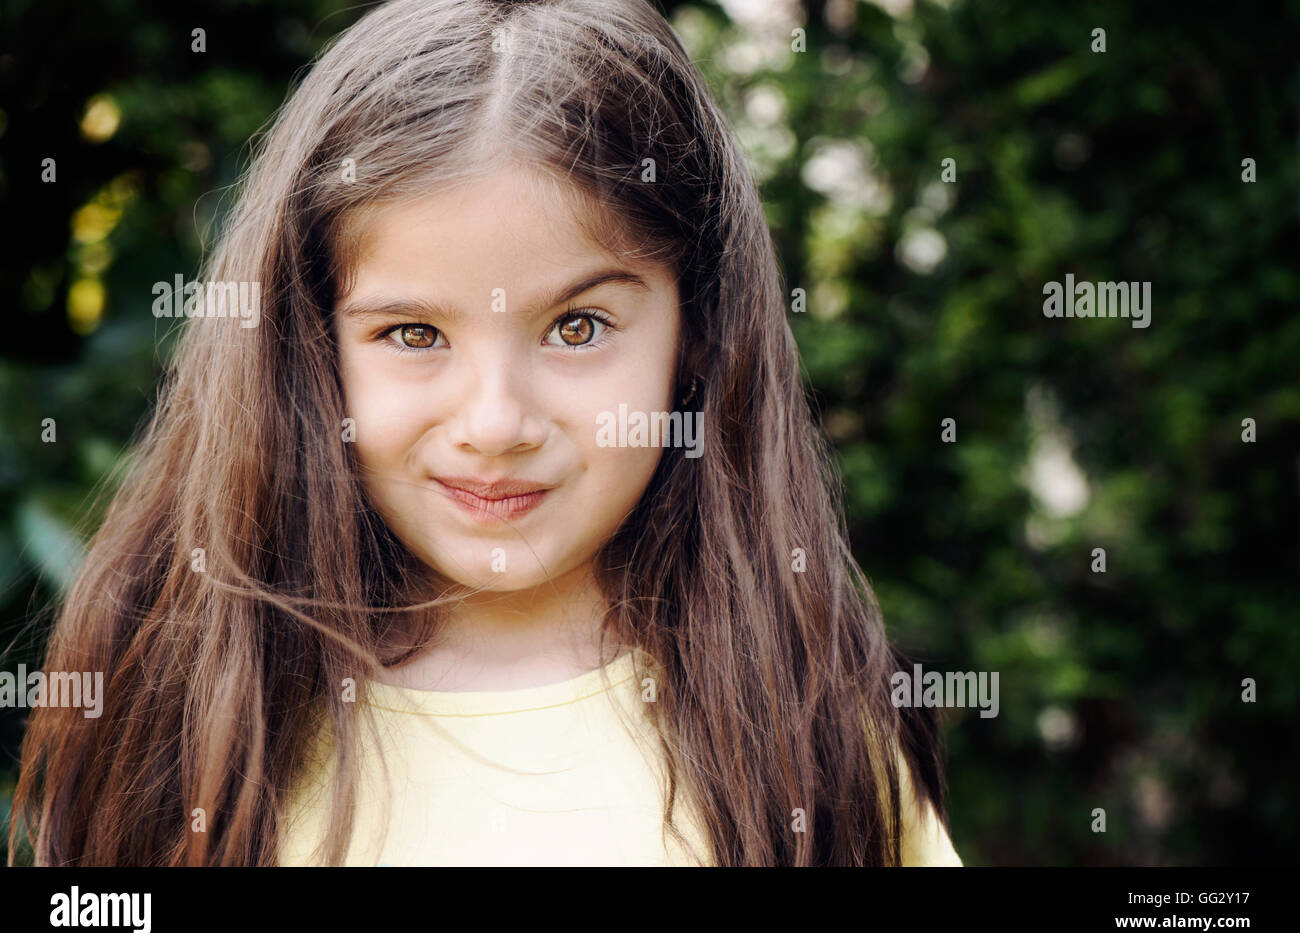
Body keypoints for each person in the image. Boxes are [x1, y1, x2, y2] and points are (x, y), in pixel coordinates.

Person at [10, 0, 961, 866]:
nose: (497, 424)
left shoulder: (806, 722)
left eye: (576, 328)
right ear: (308, 350)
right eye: (413, 334)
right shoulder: (184, 719)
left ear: (699, 333)